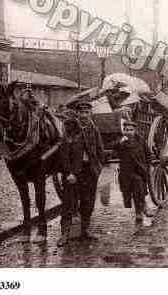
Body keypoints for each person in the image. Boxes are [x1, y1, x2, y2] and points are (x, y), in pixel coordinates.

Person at [58, 100, 105, 245]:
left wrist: (98, 167)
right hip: (73, 173)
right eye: (81, 112)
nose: (84, 115)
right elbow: (64, 153)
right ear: (77, 113)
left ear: (90, 113)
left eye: (87, 112)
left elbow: (100, 149)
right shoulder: (70, 128)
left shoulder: (93, 128)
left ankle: (85, 231)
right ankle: (65, 234)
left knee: (88, 201)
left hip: (89, 171)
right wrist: (68, 173)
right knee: (68, 203)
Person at [114, 120, 153, 223]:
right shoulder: (121, 141)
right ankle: (142, 207)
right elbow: (113, 148)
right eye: (126, 130)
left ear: (135, 131)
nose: (128, 132)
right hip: (126, 171)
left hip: (139, 170)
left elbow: (148, 153)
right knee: (128, 191)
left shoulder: (140, 140)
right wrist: (120, 142)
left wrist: (146, 167)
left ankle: (139, 212)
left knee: (138, 189)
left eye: (131, 130)